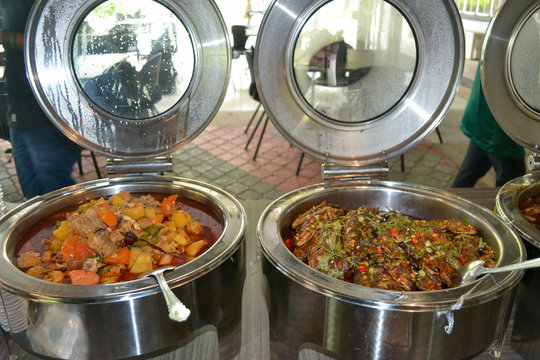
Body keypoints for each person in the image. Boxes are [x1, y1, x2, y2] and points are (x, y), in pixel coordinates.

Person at [0, 0, 81, 199]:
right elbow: (21, 54)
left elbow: (53, 41)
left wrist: (5, 37)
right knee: (32, 194)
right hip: (18, 109)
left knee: (55, 193)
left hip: (46, 112)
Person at [451, 61, 525, 188]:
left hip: (484, 117)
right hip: (500, 126)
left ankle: (448, 205)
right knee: (513, 189)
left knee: (467, 176)